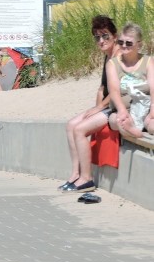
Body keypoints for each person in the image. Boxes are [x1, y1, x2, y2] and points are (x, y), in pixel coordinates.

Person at [58, 15, 122, 193]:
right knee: (71, 124)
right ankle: (75, 174)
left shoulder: (119, 58)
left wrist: (99, 108)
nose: (101, 41)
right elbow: (102, 88)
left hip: (118, 106)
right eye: (97, 37)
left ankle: (87, 178)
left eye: (105, 36)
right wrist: (95, 108)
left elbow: (120, 90)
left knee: (80, 130)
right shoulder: (108, 56)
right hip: (106, 106)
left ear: (114, 36)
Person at [107, 22, 153, 140]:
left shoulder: (148, 61)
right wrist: (122, 110)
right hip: (124, 110)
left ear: (139, 44)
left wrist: (152, 110)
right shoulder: (113, 64)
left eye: (128, 43)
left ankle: (139, 130)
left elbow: (153, 87)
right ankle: (133, 131)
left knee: (152, 126)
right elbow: (114, 91)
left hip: (145, 109)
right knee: (116, 121)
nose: (124, 46)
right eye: (120, 42)